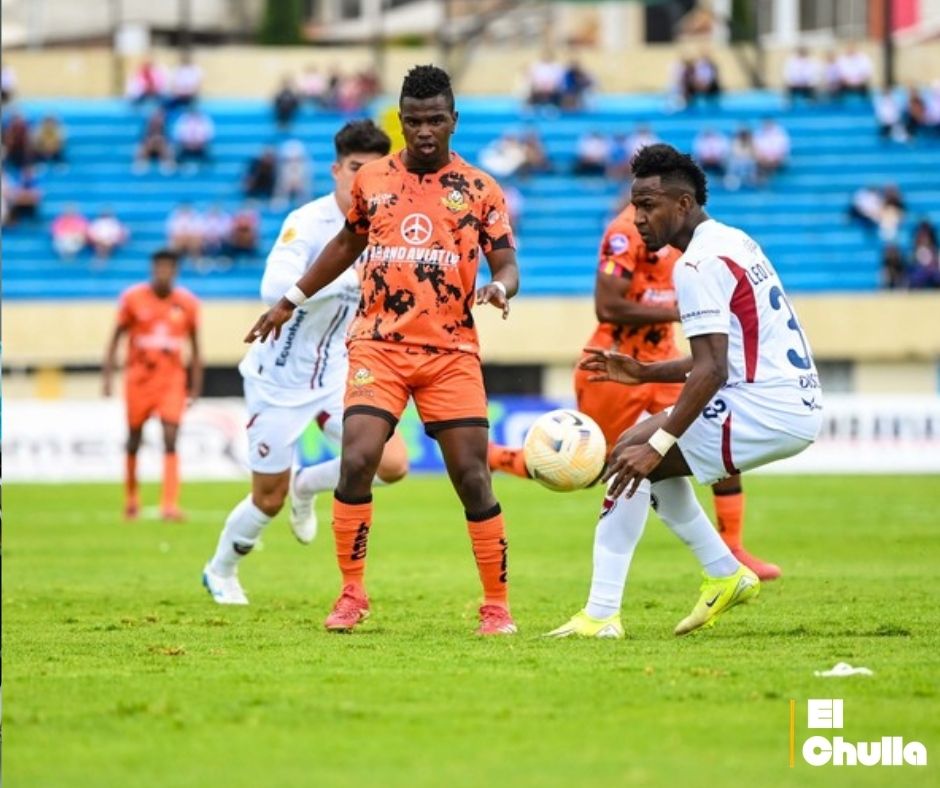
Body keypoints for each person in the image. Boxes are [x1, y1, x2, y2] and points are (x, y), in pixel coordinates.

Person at [244, 65, 520, 636]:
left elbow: (507, 262)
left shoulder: (481, 189)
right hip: (379, 347)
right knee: (359, 458)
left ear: (453, 121)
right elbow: (346, 243)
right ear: (402, 120)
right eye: (413, 121)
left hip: (450, 352)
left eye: (435, 120)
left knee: (471, 476)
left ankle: (496, 604)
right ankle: (351, 593)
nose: (424, 131)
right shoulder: (374, 179)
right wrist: (289, 301)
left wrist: (500, 287)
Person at [554, 144, 823, 638]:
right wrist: (644, 373)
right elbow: (720, 359)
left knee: (632, 452)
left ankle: (600, 615)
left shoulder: (696, 264)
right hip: (786, 398)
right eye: (635, 205)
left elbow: (712, 370)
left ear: (682, 204)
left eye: (648, 206)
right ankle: (724, 574)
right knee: (648, 462)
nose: (637, 219)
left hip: (765, 406)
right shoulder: (732, 240)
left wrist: (656, 446)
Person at [203, 120, 410, 605]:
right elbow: (273, 289)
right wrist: (343, 281)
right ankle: (221, 570)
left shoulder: (388, 223)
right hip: (278, 379)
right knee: (266, 500)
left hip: (339, 370)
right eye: (356, 169)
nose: (364, 180)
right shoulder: (308, 222)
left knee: (394, 463)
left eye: (376, 170)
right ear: (337, 170)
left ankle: (308, 485)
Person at [103, 250, 202, 521]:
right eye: (159, 267)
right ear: (152, 269)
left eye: (169, 267)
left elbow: (195, 347)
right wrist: (107, 376)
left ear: (176, 271)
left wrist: (195, 387)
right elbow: (116, 337)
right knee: (134, 438)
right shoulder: (133, 299)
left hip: (171, 381)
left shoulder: (187, 303)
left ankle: (169, 504)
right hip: (138, 380)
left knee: (171, 437)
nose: (163, 272)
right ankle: (132, 499)